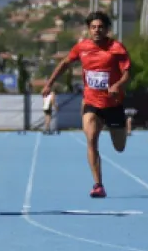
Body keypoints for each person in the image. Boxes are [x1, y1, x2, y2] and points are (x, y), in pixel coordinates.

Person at [41, 11, 131, 198]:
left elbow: (127, 73)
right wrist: (50, 83)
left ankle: (120, 126)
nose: (97, 30)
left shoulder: (116, 48)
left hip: (113, 103)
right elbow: (65, 63)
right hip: (91, 102)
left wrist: (117, 84)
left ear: (107, 30)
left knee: (120, 147)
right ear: (89, 29)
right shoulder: (82, 47)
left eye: (100, 27)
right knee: (91, 139)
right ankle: (98, 184)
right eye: (93, 27)